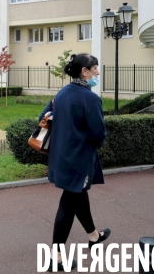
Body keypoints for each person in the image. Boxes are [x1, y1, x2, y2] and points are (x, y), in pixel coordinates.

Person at [40, 53, 109, 271]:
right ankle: (56, 258)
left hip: (61, 155)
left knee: (79, 195)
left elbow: (45, 116)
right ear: (84, 71)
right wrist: (99, 142)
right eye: (95, 68)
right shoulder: (90, 98)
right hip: (78, 158)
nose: (98, 72)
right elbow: (98, 133)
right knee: (69, 202)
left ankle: (93, 235)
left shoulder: (62, 93)